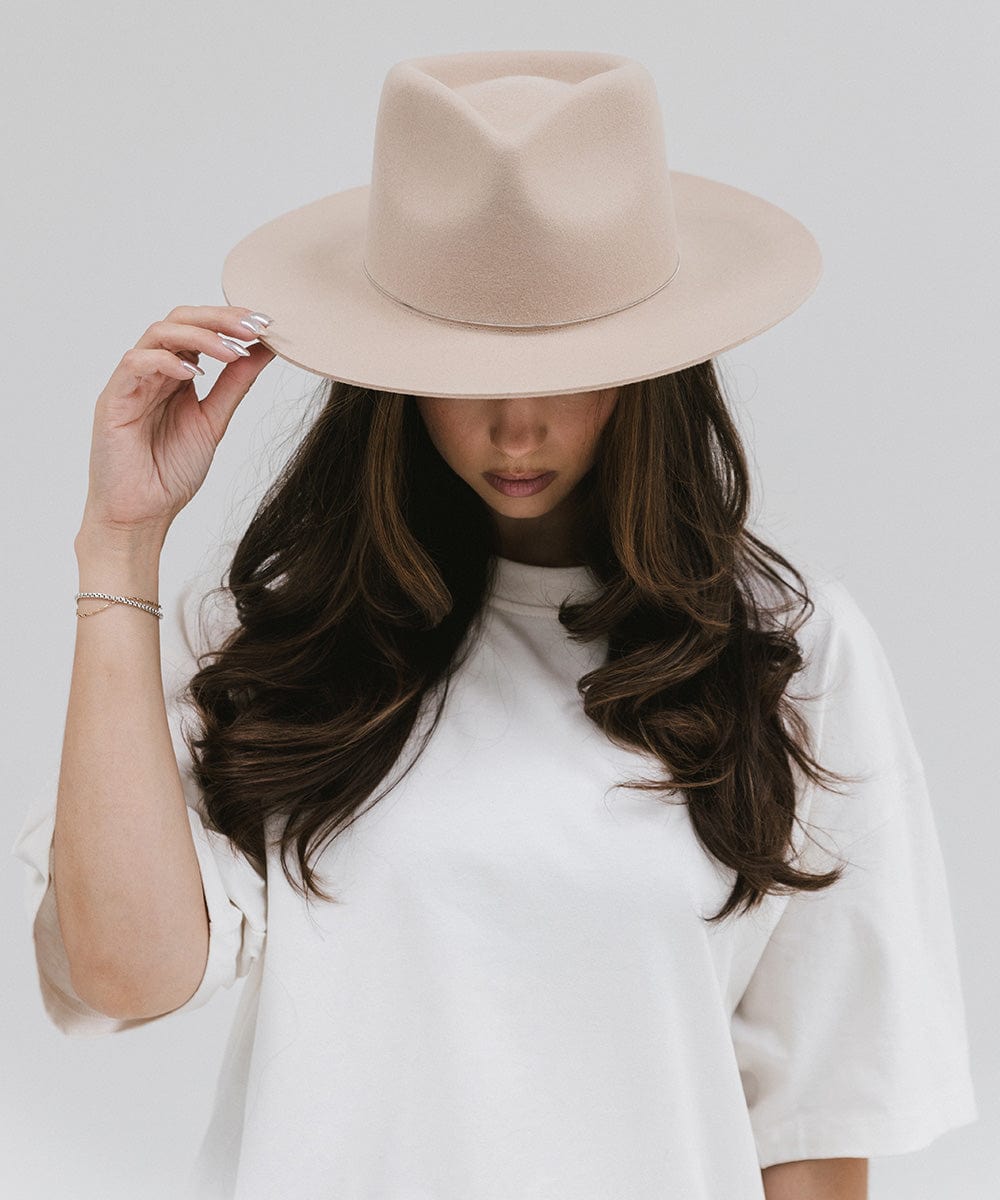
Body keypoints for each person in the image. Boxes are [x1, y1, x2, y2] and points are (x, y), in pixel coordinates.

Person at [11, 49, 978, 1200]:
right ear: (390, 374)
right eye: (463, 370)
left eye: (567, 370)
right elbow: (125, 976)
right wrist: (118, 544)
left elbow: (815, 1112)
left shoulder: (786, 653)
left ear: (653, 371)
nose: (515, 428)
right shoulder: (275, 641)